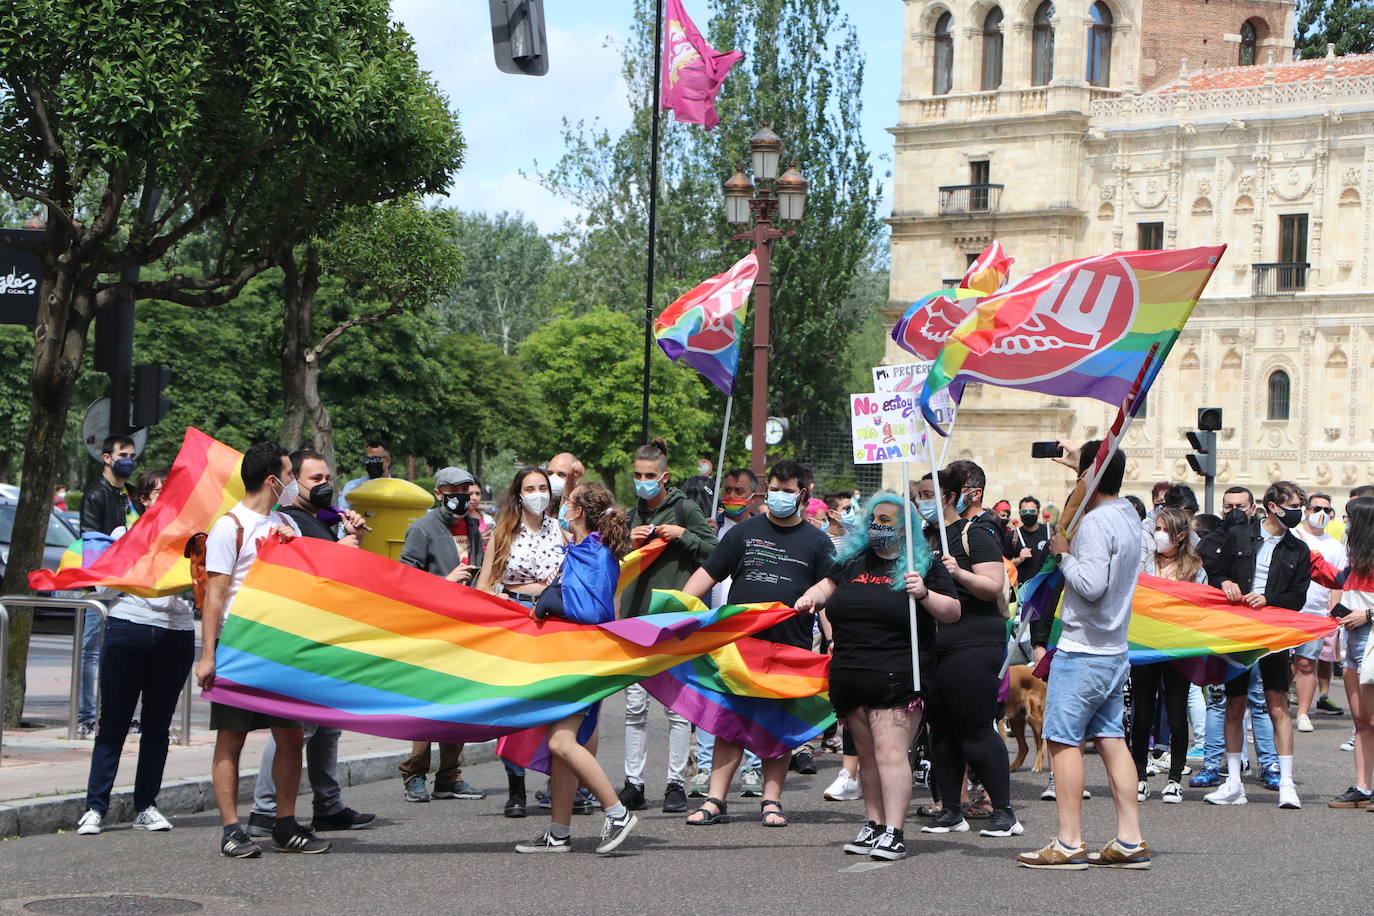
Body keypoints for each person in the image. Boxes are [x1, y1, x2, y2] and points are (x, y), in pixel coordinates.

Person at [795, 492, 961, 860]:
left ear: (904, 528)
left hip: (898, 674)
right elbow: (826, 588)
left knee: (890, 753)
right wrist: (809, 596)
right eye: (874, 519)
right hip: (851, 673)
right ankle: (873, 824)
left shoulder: (924, 565)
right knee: (867, 757)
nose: (877, 527)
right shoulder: (853, 561)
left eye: (886, 521)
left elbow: (953, 612)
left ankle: (894, 830)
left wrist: (925, 594)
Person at [680, 460, 835, 827]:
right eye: (775, 489)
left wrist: (830, 634)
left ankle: (771, 802)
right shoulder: (743, 533)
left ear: (804, 494)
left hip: (789, 649)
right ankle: (715, 800)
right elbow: (708, 573)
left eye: (788, 490)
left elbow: (830, 586)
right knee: (729, 724)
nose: (780, 496)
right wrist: (680, 611)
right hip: (739, 646)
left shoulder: (818, 541)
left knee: (777, 728)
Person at [1016, 440, 1149, 870]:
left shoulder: (1095, 524)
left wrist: (1063, 557)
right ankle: (1130, 837)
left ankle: (1069, 840)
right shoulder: (1129, 514)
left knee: (1061, 740)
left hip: (1084, 649)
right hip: (1112, 649)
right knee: (1111, 738)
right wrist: (1085, 466)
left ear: (1092, 474)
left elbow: (1090, 586)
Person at [195, 442, 327, 857]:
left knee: (290, 738)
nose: (292, 483)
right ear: (273, 480)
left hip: (281, 649)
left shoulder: (286, 521)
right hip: (239, 647)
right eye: (289, 475)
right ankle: (232, 829)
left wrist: (294, 546)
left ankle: (284, 824)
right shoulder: (229, 526)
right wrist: (208, 654)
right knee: (231, 739)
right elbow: (214, 597)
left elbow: (309, 581)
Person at [245, 450, 376, 838]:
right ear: (291, 482)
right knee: (295, 728)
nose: (324, 485)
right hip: (299, 638)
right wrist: (339, 552)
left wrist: (349, 536)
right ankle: (263, 811)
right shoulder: (287, 523)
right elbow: (300, 577)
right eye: (314, 479)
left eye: (327, 477)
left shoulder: (322, 520)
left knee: (328, 726)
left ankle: (328, 805)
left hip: (326, 634)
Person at [515, 482, 641, 855]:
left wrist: (551, 600)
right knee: (561, 748)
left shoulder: (596, 553)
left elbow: (594, 612)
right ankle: (558, 833)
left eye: (567, 503)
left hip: (584, 661)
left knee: (561, 742)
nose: (561, 507)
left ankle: (617, 812)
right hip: (571, 657)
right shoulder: (585, 549)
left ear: (579, 512)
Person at [75, 470, 193, 836]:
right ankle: (95, 807)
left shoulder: (190, 540)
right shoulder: (123, 536)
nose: (165, 500)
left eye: (170, 495)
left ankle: (146, 805)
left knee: (157, 727)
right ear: (144, 500)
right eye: (158, 494)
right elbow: (102, 587)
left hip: (176, 635)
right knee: (114, 723)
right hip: (129, 629)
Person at [913, 468, 1020, 839]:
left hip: (974, 641)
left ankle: (1004, 811)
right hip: (936, 643)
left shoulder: (976, 532)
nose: (920, 501)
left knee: (975, 728)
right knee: (940, 731)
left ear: (949, 496)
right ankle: (951, 810)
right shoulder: (924, 538)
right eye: (918, 494)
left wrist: (958, 573)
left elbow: (993, 587)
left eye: (927, 494)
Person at [619, 439, 716, 815]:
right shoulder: (629, 516)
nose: (642, 482)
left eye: (649, 476)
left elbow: (713, 551)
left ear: (665, 476)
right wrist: (626, 541)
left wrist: (683, 536)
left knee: (677, 708)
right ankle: (633, 783)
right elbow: (611, 557)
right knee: (634, 706)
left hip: (674, 619)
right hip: (635, 621)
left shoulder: (685, 508)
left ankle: (676, 783)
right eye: (637, 475)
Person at [1204, 481, 1310, 810]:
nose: (1299, 512)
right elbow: (1212, 563)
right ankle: (1234, 782)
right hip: (1238, 629)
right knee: (1234, 705)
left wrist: (1269, 599)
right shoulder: (1239, 535)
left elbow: (1298, 598)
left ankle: (1287, 783)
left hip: (1274, 631)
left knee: (1277, 706)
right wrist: (1225, 582)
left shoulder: (1298, 549)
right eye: (1293, 505)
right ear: (1273, 506)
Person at [397, 467, 488, 804]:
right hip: (431, 628)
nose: (461, 495)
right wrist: (445, 582)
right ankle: (414, 774)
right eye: (453, 489)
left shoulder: (475, 527)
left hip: (466, 627)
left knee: (459, 702)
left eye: (466, 489)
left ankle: (449, 775)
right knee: (426, 703)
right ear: (438, 493)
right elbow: (404, 580)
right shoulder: (422, 529)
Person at [476, 467, 564, 815]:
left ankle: (557, 781)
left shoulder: (561, 531)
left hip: (554, 619)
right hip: (514, 618)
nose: (538, 493)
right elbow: (485, 583)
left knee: (552, 702)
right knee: (512, 702)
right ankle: (516, 787)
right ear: (518, 494)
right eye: (530, 488)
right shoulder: (503, 533)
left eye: (543, 487)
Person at [1190, 487, 1278, 790]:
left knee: (1259, 700)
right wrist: (1222, 581)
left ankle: (1270, 765)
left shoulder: (1261, 539)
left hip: (1257, 629)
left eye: (1241, 506)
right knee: (1217, 701)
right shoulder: (1209, 542)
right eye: (1228, 506)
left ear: (1254, 509)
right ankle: (1212, 765)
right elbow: (1205, 579)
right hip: (1222, 630)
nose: (1234, 511)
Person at [692, 467, 764, 799]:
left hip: (748, 624)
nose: (733, 496)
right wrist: (704, 537)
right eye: (729, 489)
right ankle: (705, 768)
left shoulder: (761, 531)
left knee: (750, 697)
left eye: (740, 490)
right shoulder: (712, 528)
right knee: (713, 697)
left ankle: (752, 767)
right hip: (712, 622)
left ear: (754, 495)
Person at [1132, 508, 1207, 804]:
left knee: (1176, 715)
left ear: (1181, 535)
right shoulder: (1145, 563)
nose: (1158, 533)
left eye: (1163, 529)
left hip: (1178, 648)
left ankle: (1175, 777)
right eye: (1156, 528)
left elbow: (1201, 606)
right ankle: (1139, 775)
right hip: (1145, 648)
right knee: (1142, 715)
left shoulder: (1195, 568)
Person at [1308, 496, 1374, 809]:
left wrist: (1368, 616)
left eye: (1348, 518)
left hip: (1370, 642)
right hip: (1352, 644)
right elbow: (1338, 580)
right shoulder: (1355, 560)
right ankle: (1363, 788)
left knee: (1371, 720)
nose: (1343, 523)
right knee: (1361, 721)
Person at [75, 435, 138, 737]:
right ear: (107, 458)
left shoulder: (128, 494)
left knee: (121, 651)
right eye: (123, 454)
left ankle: (115, 716)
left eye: (133, 454)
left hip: (125, 582)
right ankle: (86, 717)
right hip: (98, 585)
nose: (129, 459)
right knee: (90, 651)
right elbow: (89, 539)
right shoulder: (95, 494)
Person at [1293, 492, 1347, 732]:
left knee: (1307, 664)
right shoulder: (1294, 536)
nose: (1321, 514)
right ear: (1306, 511)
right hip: (1287, 610)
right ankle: (1270, 708)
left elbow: (1338, 583)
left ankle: (1303, 713)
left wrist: (1334, 615)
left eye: (1327, 510)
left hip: (1314, 613)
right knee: (1276, 662)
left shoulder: (1334, 547)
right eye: (1316, 509)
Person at [1005, 496, 1052, 587]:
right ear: (1019, 514)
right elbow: (1004, 566)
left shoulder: (1049, 532)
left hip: (1047, 587)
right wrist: (1019, 559)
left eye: (1032, 511)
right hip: (1023, 588)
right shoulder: (1012, 537)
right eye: (1024, 511)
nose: (1028, 514)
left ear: (1038, 513)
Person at [338, 439, 391, 510]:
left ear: (387, 461)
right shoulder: (352, 487)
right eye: (367, 459)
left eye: (376, 459)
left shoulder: (399, 489)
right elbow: (343, 515)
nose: (371, 462)